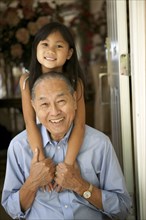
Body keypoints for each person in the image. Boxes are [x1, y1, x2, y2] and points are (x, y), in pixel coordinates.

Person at [2, 72, 132, 220]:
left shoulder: (99, 144)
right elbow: (11, 209)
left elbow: (122, 208)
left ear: (75, 100)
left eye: (61, 101)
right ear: (33, 106)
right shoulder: (19, 146)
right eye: (44, 104)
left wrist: (82, 186)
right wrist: (33, 182)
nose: (55, 112)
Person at [19, 22, 86, 191]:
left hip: (71, 145)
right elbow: (30, 123)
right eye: (45, 44)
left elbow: (79, 124)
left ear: (69, 53)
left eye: (59, 46)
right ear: (36, 48)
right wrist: (40, 159)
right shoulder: (27, 81)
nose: (51, 50)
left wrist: (68, 166)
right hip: (39, 144)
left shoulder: (75, 83)